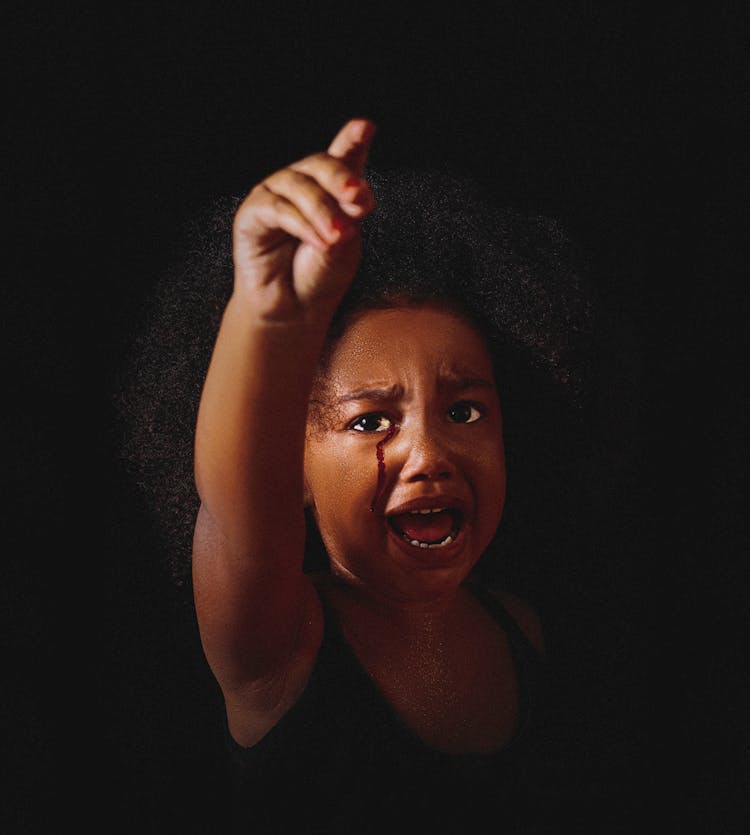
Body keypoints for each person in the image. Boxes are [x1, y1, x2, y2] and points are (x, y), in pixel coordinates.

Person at [118, 118, 598, 833]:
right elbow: (235, 507)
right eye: (372, 420)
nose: (429, 453)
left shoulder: (522, 629)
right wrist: (272, 315)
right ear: (292, 468)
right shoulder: (277, 644)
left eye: (464, 411)